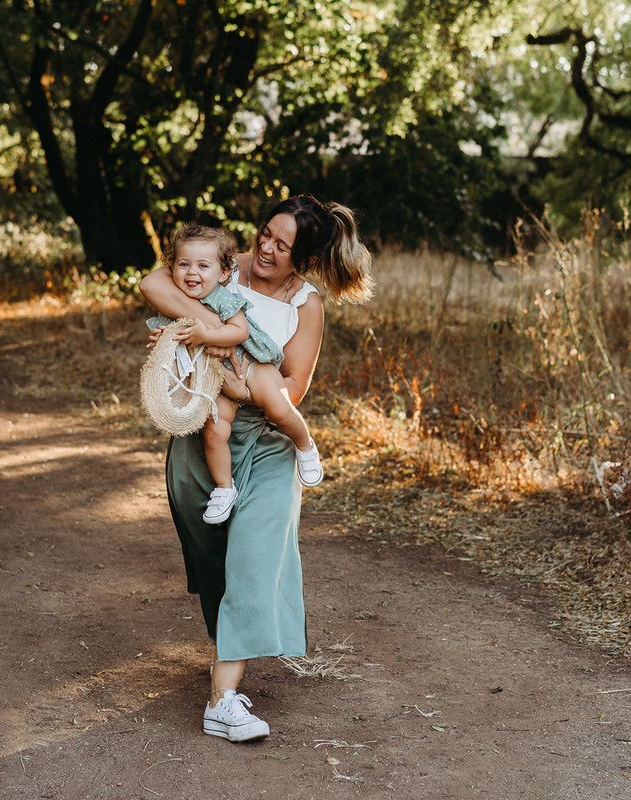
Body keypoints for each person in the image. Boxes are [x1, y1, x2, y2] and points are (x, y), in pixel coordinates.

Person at [139, 195, 373, 742]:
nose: (265, 248)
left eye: (281, 245)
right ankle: (230, 655)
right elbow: (154, 284)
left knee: (255, 554)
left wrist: (232, 371)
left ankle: (223, 700)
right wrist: (205, 328)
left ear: (305, 260)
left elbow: (292, 387)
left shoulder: (307, 304)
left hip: (267, 439)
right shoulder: (226, 265)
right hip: (206, 432)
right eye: (265, 233)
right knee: (212, 556)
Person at [145, 223, 325, 526]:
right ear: (173, 266)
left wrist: (207, 335)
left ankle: (306, 445)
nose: (192, 272)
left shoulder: (221, 295)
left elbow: (239, 330)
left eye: (282, 246)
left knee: (280, 407)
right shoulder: (192, 288)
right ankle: (224, 487)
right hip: (219, 383)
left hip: (255, 366)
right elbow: (166, 314)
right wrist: (167, 338)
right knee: (215, 430)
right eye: (183, 265)